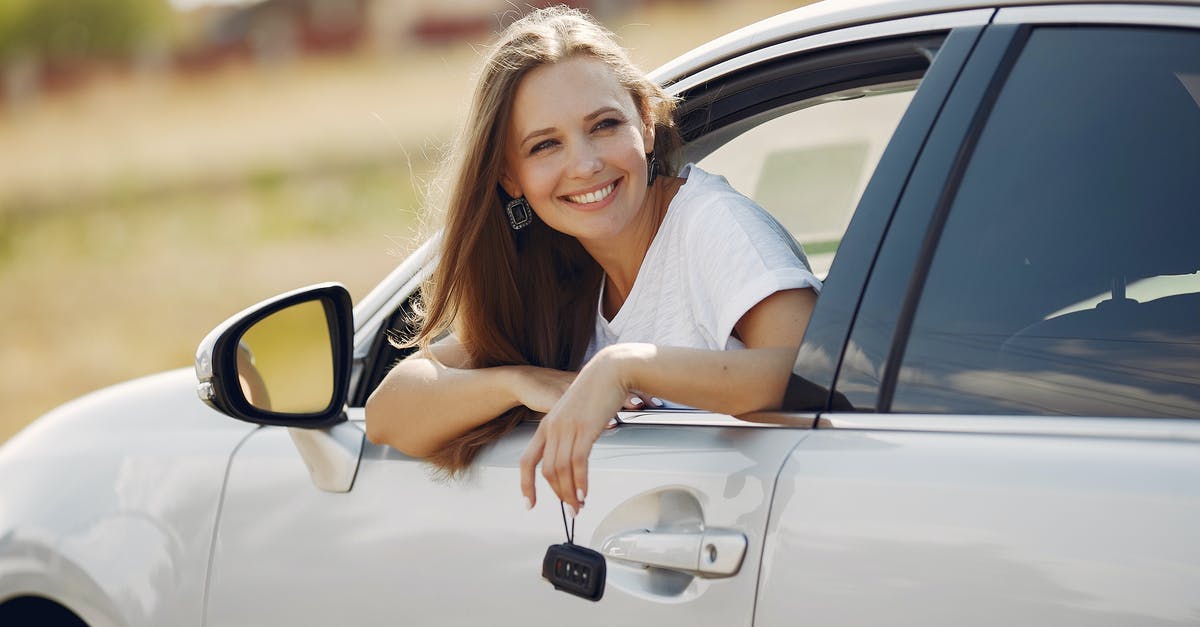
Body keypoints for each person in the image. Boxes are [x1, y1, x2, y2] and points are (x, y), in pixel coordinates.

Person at [365, 5, 820, 516]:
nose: (584, 164)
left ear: (645, 126)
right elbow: (388, 413)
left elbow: (820, 377)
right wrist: (519, 381)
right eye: (544, 146)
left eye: (604, 125)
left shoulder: (712, 225)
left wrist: (624, 368)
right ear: (509, 178)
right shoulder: (559, 273)